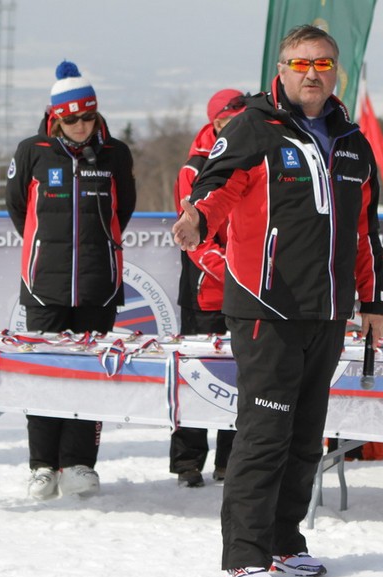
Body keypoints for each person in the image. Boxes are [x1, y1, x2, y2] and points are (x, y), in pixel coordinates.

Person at [171, 25, 383, 577]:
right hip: (266, 305)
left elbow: (365, 231)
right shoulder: (254, 127)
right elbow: (215, 187)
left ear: (335, 71)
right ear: (282, 67)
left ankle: (285, 541)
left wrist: (374, 298)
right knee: (265, 431)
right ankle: (243, 553)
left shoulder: (352, 141)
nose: (311, 74)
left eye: (322, 64)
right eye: (300, 63)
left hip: (329, 309)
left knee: (305, 434)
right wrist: (197, 218)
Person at [6, 60, 136, 500]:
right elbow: (18, 210)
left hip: (99, 284)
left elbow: (124, 209)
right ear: (55, 116)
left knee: (89, 373)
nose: (80, 126)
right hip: (45, 284)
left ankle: (79, 463)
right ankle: (43, 465)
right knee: (45, 373)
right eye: (71, 118)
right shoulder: (32, 152)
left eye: (88, 117)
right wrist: (47, 250)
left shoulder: (116, 153)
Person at [169, 88, 245, 488]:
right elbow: (194, 239)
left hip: (243, 294)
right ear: (215, 123)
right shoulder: (193, 167)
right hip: (204, 291)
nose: (238, 127)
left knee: (237, 381)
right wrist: (234, 272)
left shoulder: (252, 157)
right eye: (230, 121)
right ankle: (187, 461)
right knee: (196, 377)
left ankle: (230, 461)